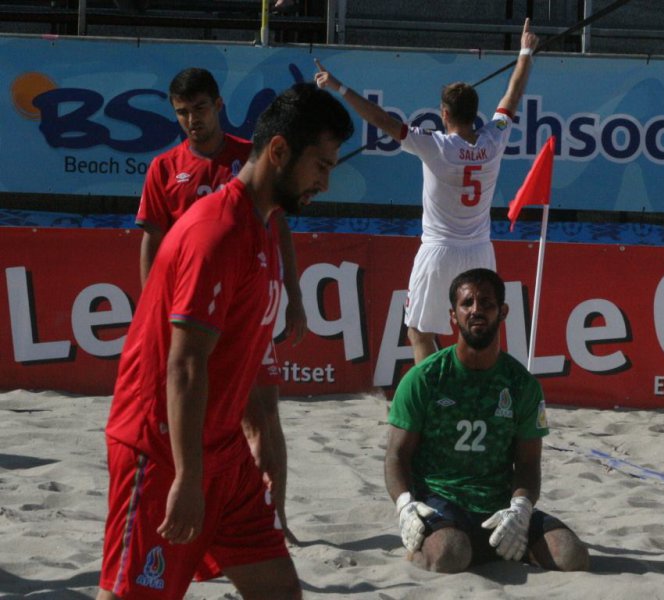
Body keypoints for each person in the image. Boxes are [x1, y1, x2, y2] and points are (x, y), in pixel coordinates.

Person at [97, 83, 354, 599]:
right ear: (278, 151)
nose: (325, 183)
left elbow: (235, 360)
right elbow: (185, 367)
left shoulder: (262, 223)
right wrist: (188, 477)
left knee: (280, 590)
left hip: (223, 451)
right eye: (320, 166)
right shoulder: (216, 233)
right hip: (163, 448)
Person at [136, 67, 304, 540]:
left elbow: (281, 227)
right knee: (188, 413)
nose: (193, 120)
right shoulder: (164, 169)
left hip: (248, 307)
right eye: (183, 113)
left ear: (219, 106)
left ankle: (277, 519)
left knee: (263, 415)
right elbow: (153, 242)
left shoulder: (246, 160)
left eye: (201, 109)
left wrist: (293, 296)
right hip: (191, 313)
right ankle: (197, 513)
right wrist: (154, 308)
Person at [314, 19, 537, 364]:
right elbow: (513, 94)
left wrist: (338, 86)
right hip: (480, 251)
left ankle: (433, 404)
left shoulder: (434, 145)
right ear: (476, 114)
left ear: (444, 113)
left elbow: (381, 120)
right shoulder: (495, 138)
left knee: (418, 332)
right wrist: (525, 50)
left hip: (439, 251)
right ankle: (476, 398)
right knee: (477, 333)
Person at [383, 268, 589, 574]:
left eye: (486, 302)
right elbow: (396, 455)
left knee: (573, 556)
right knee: (451, 553)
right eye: (467, 303)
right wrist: (404, 505)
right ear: (453, 315)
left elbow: (529, 463)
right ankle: (428, 546)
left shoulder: (522, 384)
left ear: (502, 311)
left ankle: (497, 546)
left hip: (499, 508)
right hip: (441, 500)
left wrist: (520, 508)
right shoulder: (424, 378)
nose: (476, 310)